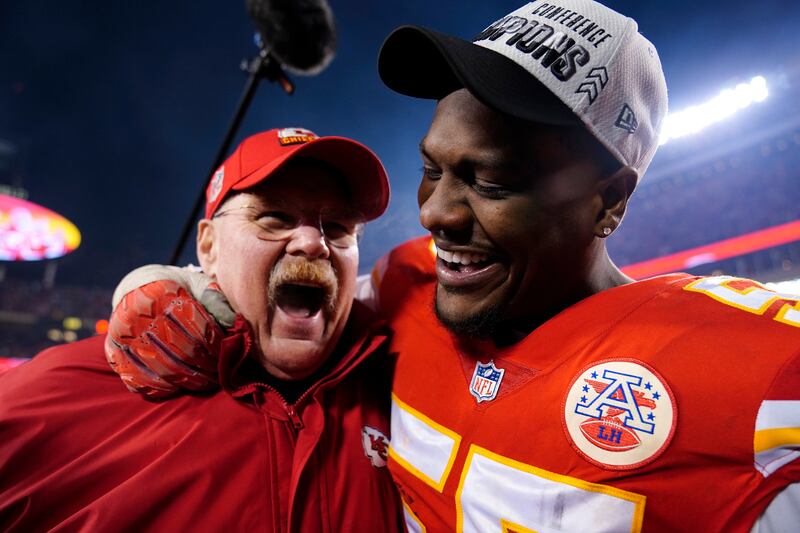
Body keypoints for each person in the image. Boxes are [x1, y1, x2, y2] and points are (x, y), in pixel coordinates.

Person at [97, 0, 800, 531]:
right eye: (431, 169)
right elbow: (274, 290)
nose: (436, 213)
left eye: (490, 182)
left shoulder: (754, 375)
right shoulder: (409, 286)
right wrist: (168, 286)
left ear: (608, 201)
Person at [0, 127, 403, 531]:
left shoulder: (401, 384)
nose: (314, 243)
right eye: (275, 218)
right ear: (208, 247)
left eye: (337, 228)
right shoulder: (80, 388)